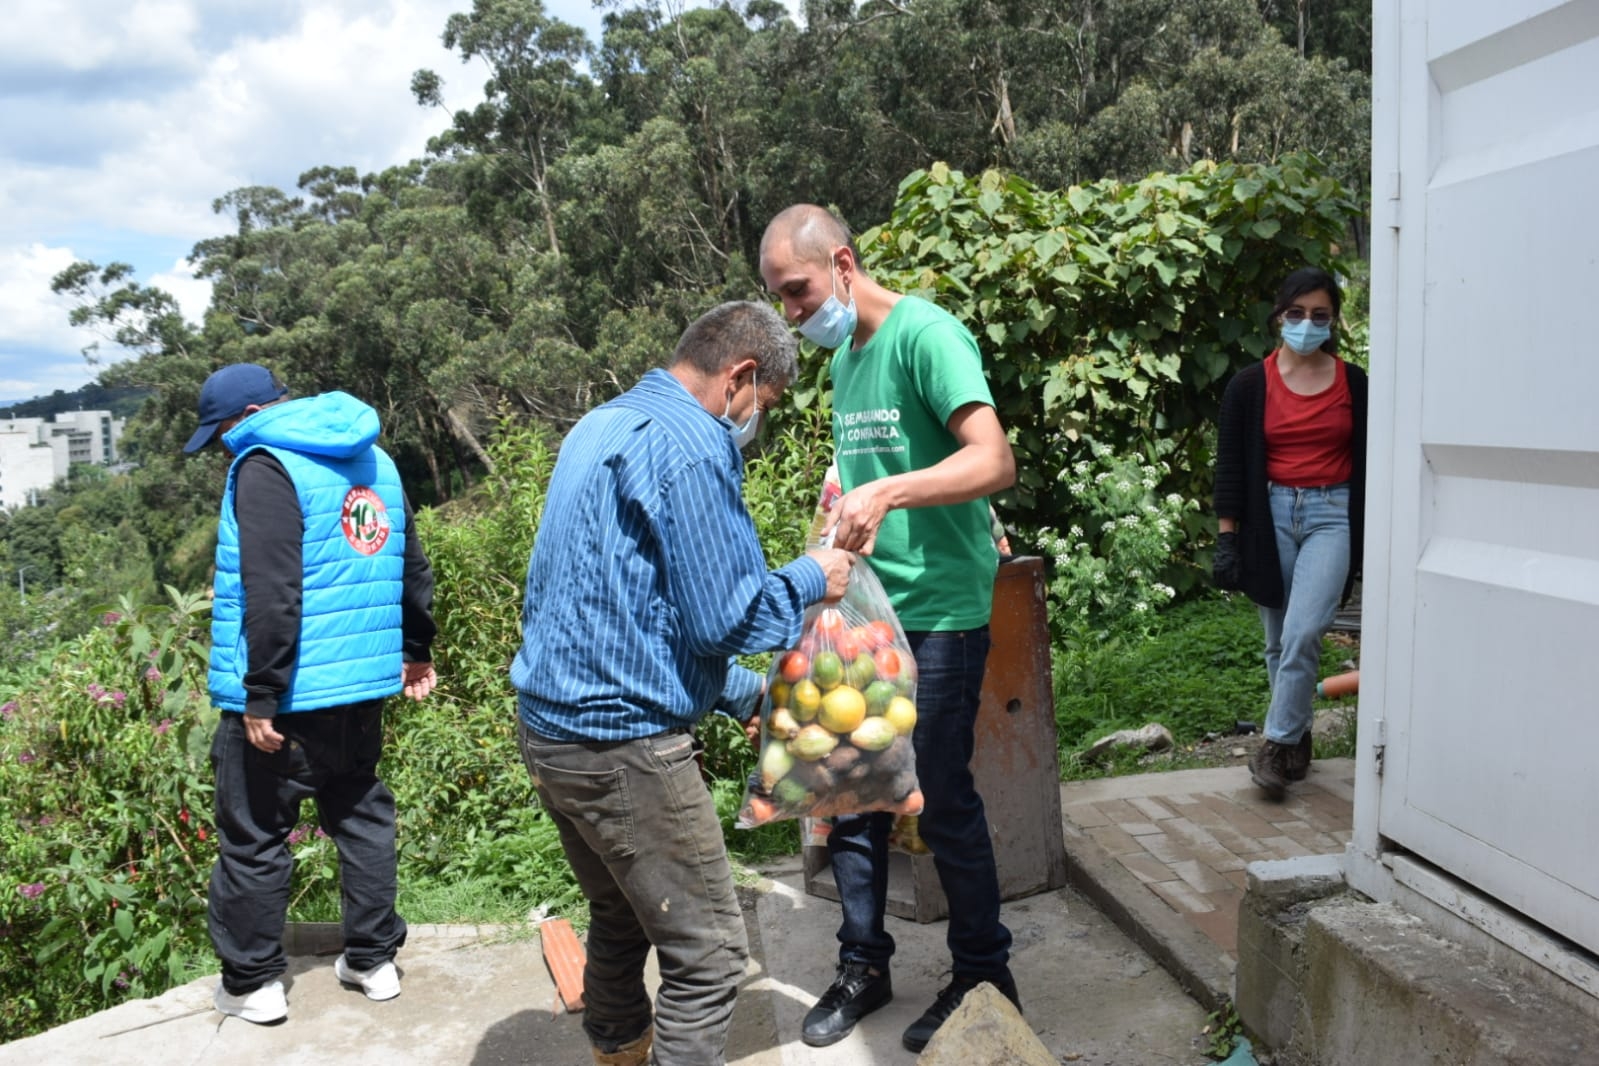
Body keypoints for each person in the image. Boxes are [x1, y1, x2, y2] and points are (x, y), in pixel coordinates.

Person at [510, 301, 855, 1066]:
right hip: (620, 747)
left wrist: (744, 695)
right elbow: (726, 619)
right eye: (761, 405)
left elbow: (634, 609)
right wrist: (814, 577)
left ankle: (618, 1052)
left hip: (548, 734)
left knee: (620, 914)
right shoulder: (693, 446)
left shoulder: (599, 426)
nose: (753, 423)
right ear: (739, 377)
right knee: (709, 955)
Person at [759, 205, 1020, 1054]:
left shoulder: (925, 335)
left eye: (795, 291)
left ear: (840, 262)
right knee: (849, 791)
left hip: (940, 610)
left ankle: (984, 974)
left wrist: (889, 492)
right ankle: (862, 966)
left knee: (938, 795)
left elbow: (993, 460)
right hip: (865, 608)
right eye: (777, 299)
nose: (791, 314)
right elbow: (864, 472)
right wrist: (840, 505)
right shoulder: (849, 359)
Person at [185, 363, 438, 1025]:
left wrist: (261, 693)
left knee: (255, 834)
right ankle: (373, 960)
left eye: (220, 433)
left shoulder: (267, 465)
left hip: (290, 696)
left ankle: (252, 985)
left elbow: (272, 592)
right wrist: (416, 649)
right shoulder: (373, 457)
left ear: (243, 418)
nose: (222, 448)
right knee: (359, 813)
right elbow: (410, 562)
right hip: (359, 687)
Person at [1212, 267, 1368, 800]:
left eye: (1319, 315)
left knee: (1304, 632)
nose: (1307, 323)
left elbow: (1371, 462)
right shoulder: (1249, 385)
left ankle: (1275, 744)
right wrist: (1227, 538)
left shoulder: (1355, 383)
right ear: (1280, 316)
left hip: (1333, 511)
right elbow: (1231, 466)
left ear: (1333, 321)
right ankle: (1299, 741)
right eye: (1296, 313)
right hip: (1269, 513)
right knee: (1278, 642)